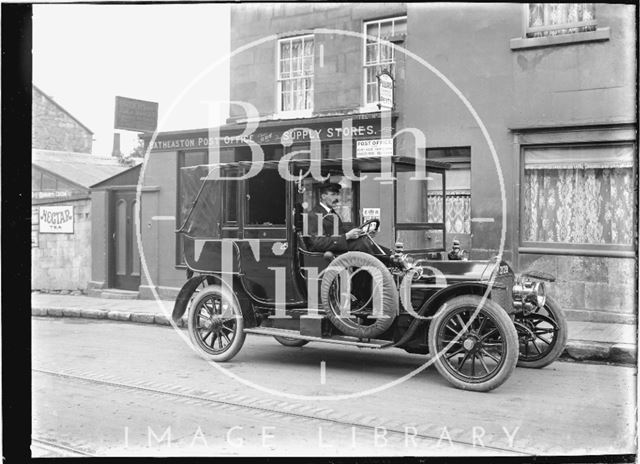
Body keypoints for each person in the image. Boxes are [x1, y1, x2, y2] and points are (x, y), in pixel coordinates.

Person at [305, 182, 390, 255]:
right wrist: (346, 236)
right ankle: (377, 269)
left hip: (335, 250)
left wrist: (363, 234)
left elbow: (340, 231)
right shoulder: (314, 215)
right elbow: (317, 243)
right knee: (362, 244)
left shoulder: (331, 213)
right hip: (326, 254)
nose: (337, 198)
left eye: (337, 194)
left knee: (367, 241)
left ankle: (390, 256)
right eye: (333, 194)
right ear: (323, 196)